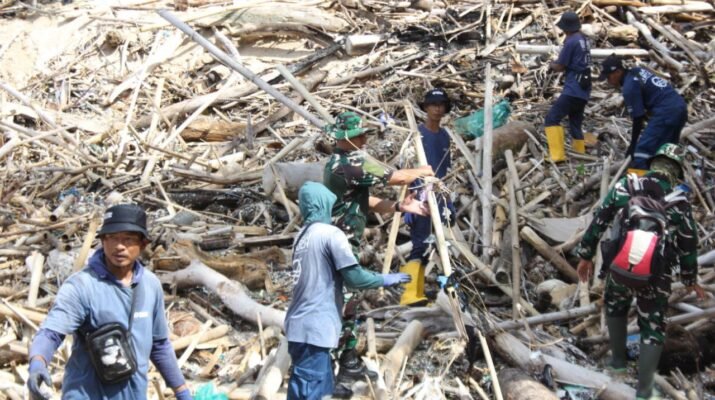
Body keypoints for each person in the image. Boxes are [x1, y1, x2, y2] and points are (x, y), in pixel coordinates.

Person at [575, 144, 705, 399]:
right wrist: (690, 279)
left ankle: (618, 364)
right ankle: (644, 390)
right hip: (656, 277)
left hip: (621, 268)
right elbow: (688, 245)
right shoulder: (679, 202)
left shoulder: (626, 186)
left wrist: (585, 255)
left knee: (615, 308)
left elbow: (600, 219)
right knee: (652, 327)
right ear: (676, 173)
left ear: (654, 164)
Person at [27, 204, 191, 400]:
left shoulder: (150, 285)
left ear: (143, 244)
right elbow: (51, 333)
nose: (119, 246)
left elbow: (159, 345)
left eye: (128, 239)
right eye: (112, 238)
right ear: (103, 241)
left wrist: (182, 391)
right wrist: (38, 363)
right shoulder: (82, 286)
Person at [285, 182, 411, 400]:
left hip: (298, 327)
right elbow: (354, 277)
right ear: (322, 204)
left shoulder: (301, 236)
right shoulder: (330, 234)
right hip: (315, 328)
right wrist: (384, 279)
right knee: (313, 391)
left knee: (306, 388)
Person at [324, 111, 434, 256]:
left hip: (337, 239)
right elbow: (398, 179)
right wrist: (422, 171)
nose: (364, 140)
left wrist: (399, 206)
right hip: (342, 242)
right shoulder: (351, 165)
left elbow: (365, 201)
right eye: (359, 136)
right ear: (347, 138)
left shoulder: (335, 161)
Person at [401, 88, 456, 306]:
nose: (437, 109)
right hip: (421, 196)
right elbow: (406, 167)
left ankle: (445, 293)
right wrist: (411, 197)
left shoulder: (444, 136)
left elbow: (446, 170)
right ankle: (410, 294)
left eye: (441, 105)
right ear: (425, 108)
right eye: (433, 105)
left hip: (440, 196)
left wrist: (448, 200)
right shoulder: (417, 136)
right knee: (420, 244)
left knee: (443, 246)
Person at [598, 55, 688, 174]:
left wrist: (633, 145)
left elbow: (638, 118)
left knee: (641, 152)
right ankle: (665, 179)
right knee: (666, 150)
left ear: (618, 72)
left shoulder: (629, 87)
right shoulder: (637, 71)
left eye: (608, 77)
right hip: (680, 107)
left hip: (666, 112)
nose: (608, 81)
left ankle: (641, 182)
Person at [543, 11, 592, 162]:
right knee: (575, 122)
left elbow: (560, 66)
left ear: (566, 28)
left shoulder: (571, 41)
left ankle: (557, 155)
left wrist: (550, 64)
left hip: (573, 88)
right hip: (584, 89)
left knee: (551, 119)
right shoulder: (583, 39)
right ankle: (580, 154)